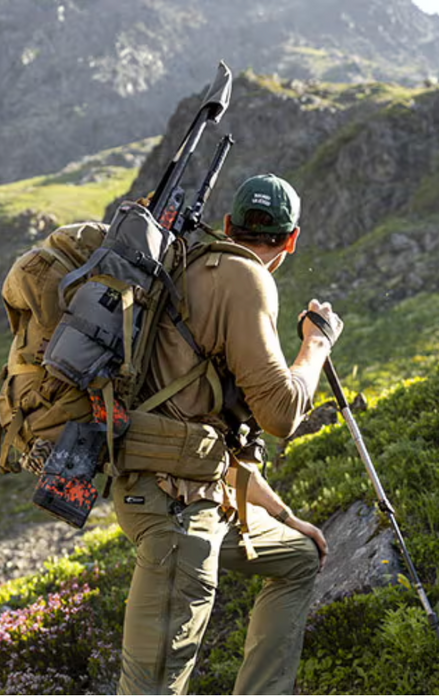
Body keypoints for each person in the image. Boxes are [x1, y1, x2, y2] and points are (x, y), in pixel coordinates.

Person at [115, 173, 346, 694]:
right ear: (292, 240)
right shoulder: (246, 279)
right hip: (177, 508)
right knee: (152, 687)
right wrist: (316, 344)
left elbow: (218, 437)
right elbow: (282, 413)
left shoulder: (190, 265)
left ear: (226, 225)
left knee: (297, 558)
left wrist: (286, 518)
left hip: (189, 490)